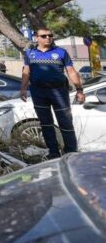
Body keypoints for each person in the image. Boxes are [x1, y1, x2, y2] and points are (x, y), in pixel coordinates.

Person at [19, 27, 84, 159]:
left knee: (66, 122)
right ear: (36, 37)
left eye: (50, 35)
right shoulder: (30, 53)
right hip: (38, 92)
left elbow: (71, 71)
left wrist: (79, 90)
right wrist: (23, 89)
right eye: (44, 36)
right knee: (45, 123)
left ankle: (71, 152)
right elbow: (26, 71)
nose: (48, 38)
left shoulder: (61, 52)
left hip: (59, 91)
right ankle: (53, 152)